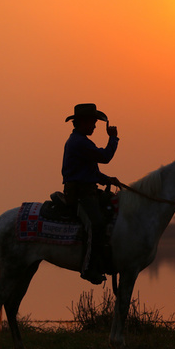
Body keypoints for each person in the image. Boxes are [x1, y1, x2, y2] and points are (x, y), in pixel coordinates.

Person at [62, 103, 120, 284]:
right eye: (93, 122)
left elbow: (90, 172)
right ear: (83, 122)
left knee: (115, 207)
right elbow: (104, 158)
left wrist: (107, 180)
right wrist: (113, 139)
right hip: (81, 194)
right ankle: (88, 269)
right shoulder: (79, 143)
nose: (95, 126)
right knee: (97, 224)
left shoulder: (82, 142)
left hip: (89, 191)